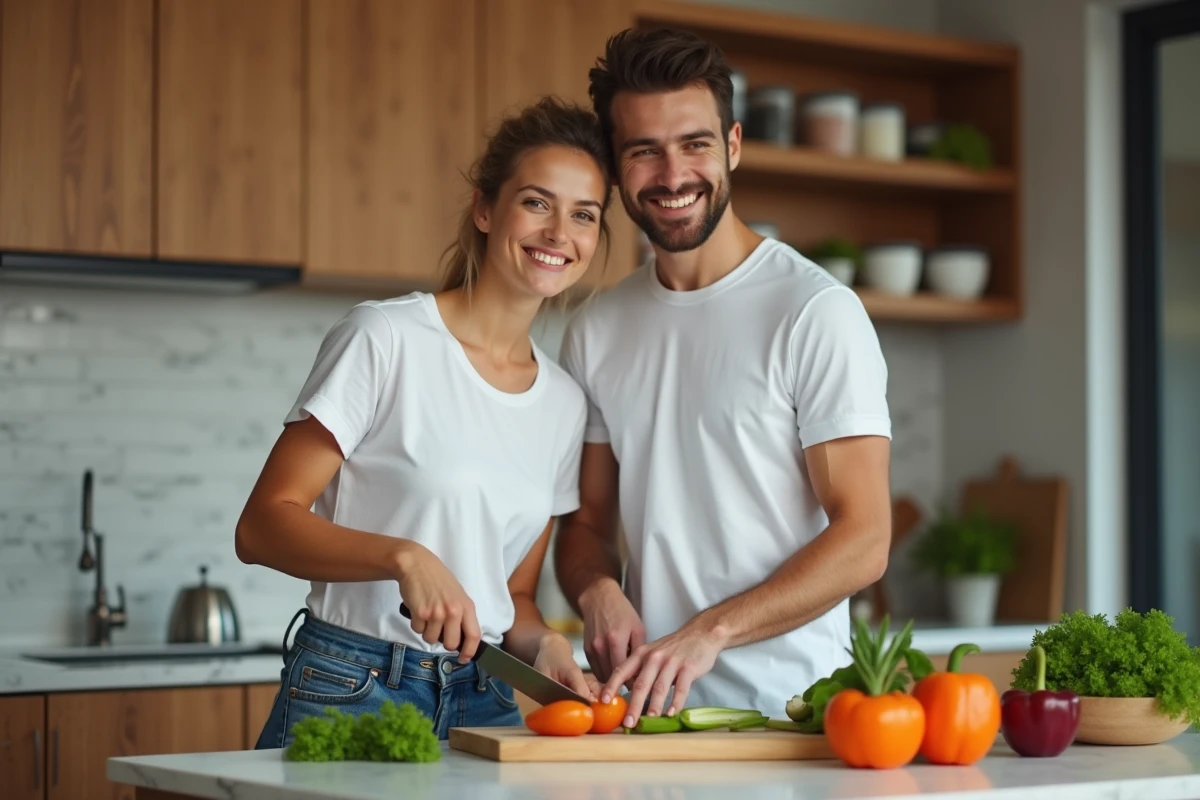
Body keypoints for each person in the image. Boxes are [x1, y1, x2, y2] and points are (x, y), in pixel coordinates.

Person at [237, 96, 612, 746]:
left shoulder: (563, 403)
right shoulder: (386, 338)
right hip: (352, 686)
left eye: (583, 215)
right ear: (485, 207)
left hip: (484, 695)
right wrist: (404, 557)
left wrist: (546, 647)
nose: (559, 232)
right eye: (537, 202)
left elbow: (513, 598)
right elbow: (262, 525)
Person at [554, 28, 894, 730]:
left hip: (794, 720)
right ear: (615, 169)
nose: (672, 174)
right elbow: (586, 524)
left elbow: (864, 536)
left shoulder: (813, 312)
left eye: (695, 144)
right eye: (643, 150)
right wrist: (594, 592)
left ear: (733, 145)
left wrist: (710, 631)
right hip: (652, 719)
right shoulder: (595, 329)